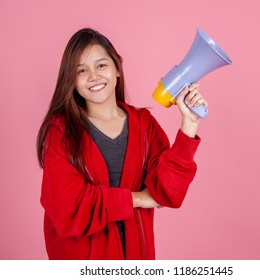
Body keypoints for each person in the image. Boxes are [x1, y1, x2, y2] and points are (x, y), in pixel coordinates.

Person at [36, 28, 208, 260]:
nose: (94, 76)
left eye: (101, 65)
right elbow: (68, 206)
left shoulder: (144, 124)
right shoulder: (61, 131)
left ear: (117, 68)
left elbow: (167, 191)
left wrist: (189, 122)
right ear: (72, 80)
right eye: (82, 70)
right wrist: (137, 198)